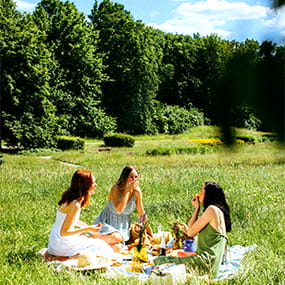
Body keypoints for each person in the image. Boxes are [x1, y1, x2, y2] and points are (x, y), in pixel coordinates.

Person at [154, 181, 231, 279]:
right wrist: (197, 208)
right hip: (213, 266)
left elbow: (189, 233)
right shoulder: (218, 211)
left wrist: (196, 209)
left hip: (204, 263)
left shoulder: (211, 210)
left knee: (160, 261)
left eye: (201, 191)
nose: (199, 194)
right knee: (175, 259)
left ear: (208, 194)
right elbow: (191, 232)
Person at [47, 170, 115, 259]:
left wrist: (90, 229)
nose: (96, 185)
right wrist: (87, 228)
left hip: (56, 242)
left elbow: (71, 220)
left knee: (91, 240)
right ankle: (71, 257)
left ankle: (73, 255)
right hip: (60, 244)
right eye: (93, 183)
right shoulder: (75, 205)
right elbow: (64, 232)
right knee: (101, 246)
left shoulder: (71, 200)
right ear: (85, 185)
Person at [94, 166, 152, 248]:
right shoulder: (115, 188)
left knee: (117, 247)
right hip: (108, 223)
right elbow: (119, 210)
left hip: (123, 227)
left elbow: (141, 214)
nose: (134, 180)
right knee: (115, 239)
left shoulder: (137, 192)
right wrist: (127, 190)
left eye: (136, 177)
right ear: (125, 178)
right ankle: (92, 239)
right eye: (131, 177)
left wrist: (151, 234)